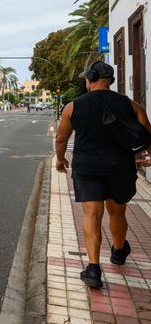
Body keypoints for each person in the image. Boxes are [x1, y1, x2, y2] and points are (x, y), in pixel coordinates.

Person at [55, 61, 151, 288]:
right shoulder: (131, 105)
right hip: (121, 168)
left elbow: (61, 138)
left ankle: (93, 269)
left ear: (90, 78)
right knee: (117, 212)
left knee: (92, 214)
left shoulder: (73, 106)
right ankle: (118, 252)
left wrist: (60, 159)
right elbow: (147, 134)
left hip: (88, 169)